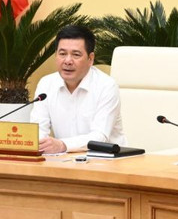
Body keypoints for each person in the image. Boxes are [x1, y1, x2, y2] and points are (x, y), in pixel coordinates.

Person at [30, 25, 125, 154]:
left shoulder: (106, 86)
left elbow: (100, 136)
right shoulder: (46, 84)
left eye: (76, 55)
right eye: (62, 54)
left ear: (90, 59)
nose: (68, 61)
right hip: (64, 160)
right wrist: (40, 145)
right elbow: (38, 130)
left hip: (106, 159)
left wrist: (62, 145)